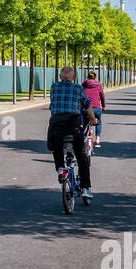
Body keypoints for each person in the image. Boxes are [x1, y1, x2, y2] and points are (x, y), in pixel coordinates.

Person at [47, 66, 96, 204]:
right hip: (74, 125)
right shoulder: (78, 88)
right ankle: (86, 188)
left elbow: (53, 105)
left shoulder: (54, 87)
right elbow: (87, 105)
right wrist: (92, 119)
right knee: (82, 156)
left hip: (57, 124)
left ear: (60, 76)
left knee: (56, 146)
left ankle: (60, 168)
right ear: (73, 77)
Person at [82, 69, 107, 148]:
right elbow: (102, 97)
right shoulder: (98, 85)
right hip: (96, 108)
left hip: (85, 108)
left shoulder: (83, 84)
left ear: (87, 77)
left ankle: (82, 138)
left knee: (84, 122)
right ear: (95, 78)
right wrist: (103, 106)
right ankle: (98, 140)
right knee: (98, 122)